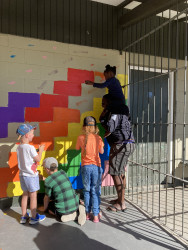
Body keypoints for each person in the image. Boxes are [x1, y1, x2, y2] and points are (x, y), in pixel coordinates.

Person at [99, 94, 135, 212]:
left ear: (109, 102)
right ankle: (120, 199)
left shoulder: (114, 111)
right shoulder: (122, 111)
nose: (102, 105)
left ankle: (121, 203)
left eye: (104, 103)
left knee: (115, 173)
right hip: (128, 143)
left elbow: (110, 126)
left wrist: (103, 118)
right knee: (120, 172)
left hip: (120, 145)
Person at [42, 157, 86, 226]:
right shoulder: (63, 173)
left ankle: (71, 216)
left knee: (50, 207)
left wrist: (45, 210)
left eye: (44, 169)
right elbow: (56, 180)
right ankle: (79, 208)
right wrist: (44, 179)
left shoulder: (48, 181)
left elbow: (46, 197)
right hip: (75, 203)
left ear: (47, 169)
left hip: (63, 210)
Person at [76, 116, 104, 223]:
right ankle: (96, 216)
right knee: (95, 191)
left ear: (84, 127)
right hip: (96, 167)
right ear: (95, 127)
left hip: (85, 167)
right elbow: (101, 151)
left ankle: (87, 213)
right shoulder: (99, 138)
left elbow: (77, 149)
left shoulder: (80, 138)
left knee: (86, 191)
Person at [16, 123, 46, 224]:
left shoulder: (19, 148)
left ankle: (23, 216)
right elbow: (38, 159)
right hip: (31, 176)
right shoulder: (30, 148)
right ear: (27, 135)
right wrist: (40, 150)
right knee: (33, 196)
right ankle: (33, 218)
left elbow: (26, 158)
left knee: (25, 194)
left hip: (22, 175)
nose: (33, 135)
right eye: (32, 133)